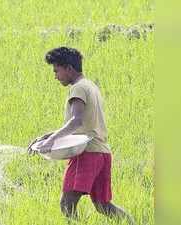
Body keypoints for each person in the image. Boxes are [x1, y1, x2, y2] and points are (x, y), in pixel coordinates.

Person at [27, 47, 135, 224]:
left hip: (87, 153)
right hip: (102, 153)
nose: (55, 75)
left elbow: (76, 122)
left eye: (56, 70)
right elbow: (83, 124)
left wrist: (51, 141)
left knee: (66, 204)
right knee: (103, 205)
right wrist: (47, 136)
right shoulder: (90, 86)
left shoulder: (77, 89)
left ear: (69, 68)